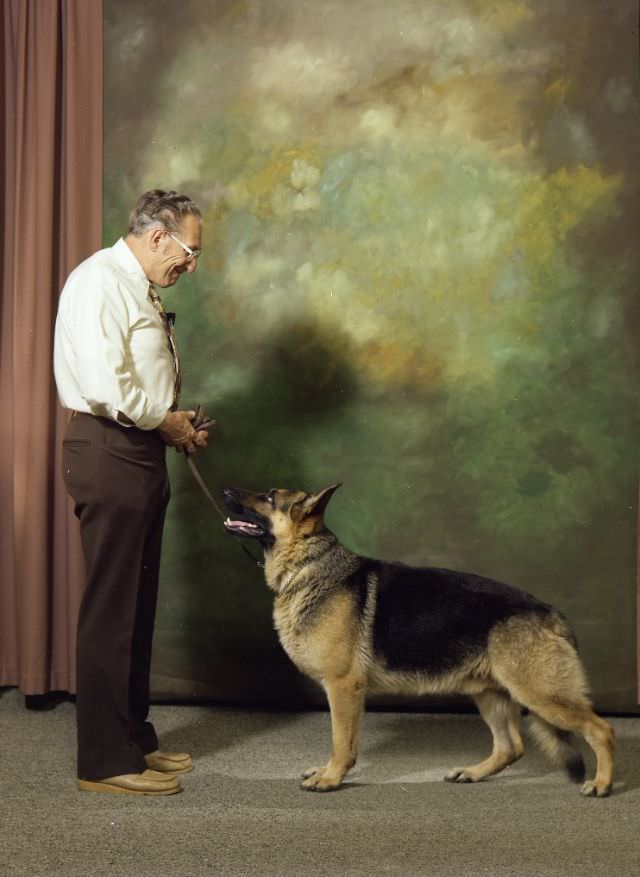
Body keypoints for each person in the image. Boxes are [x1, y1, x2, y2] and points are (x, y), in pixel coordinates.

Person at [54, 189, 210, 796]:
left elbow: (135, 380)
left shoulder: (136, 284)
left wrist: (171, 424)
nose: (191, 265)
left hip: (136, 449)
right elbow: (103, 386)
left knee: (137, 605)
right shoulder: (100, 281)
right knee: (111, 610)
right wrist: (161, 419)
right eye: (189, 252)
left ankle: (131, 741)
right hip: (108, 450)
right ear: (156, 237)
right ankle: (102, 761)